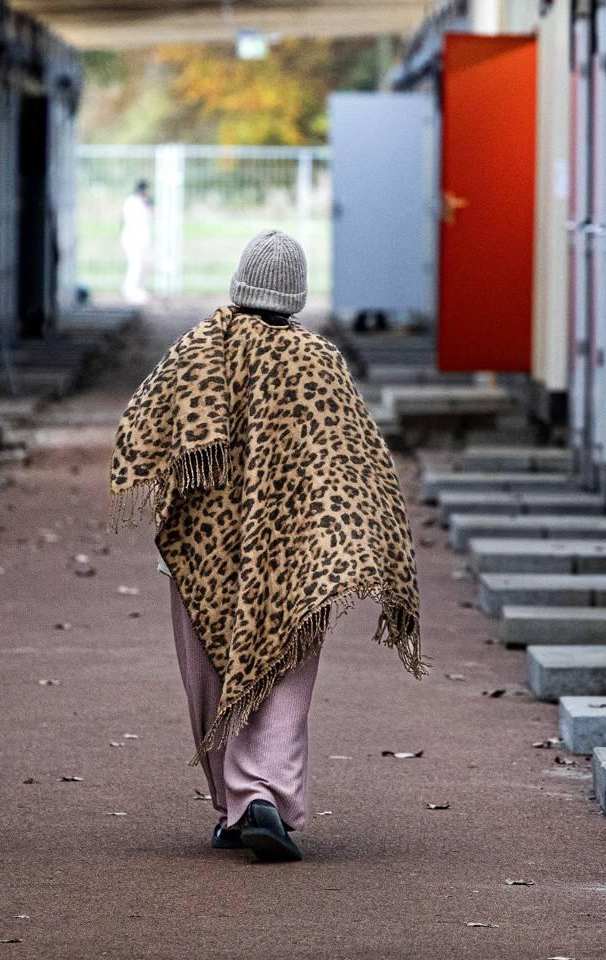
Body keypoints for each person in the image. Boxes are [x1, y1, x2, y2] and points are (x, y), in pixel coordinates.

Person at [110, 230, 423, 863]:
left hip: (204, 550)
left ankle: (234, 802)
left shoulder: (199, 350)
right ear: (297, 295)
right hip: (294, 554)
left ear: (240, 284)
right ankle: (264, 798)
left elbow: (142, 430)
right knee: (284, 672)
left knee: (209, 671)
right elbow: (359, 464)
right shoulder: (318, 362)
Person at [120, 180, 153, 304]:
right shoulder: (132, 202)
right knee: (136, 264)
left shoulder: (141, 202)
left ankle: (137, 289)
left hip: (140, 239)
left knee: (145, 264)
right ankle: (130, 291)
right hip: (132, 238)